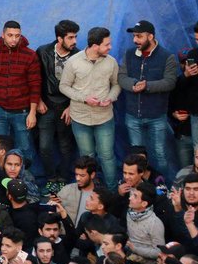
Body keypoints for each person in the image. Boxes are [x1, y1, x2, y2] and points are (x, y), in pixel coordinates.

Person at [58, 27, 120, 188]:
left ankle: (113, 191)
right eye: (106, 45)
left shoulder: (111, 62)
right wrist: (84, 99)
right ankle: (89, 190)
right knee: (87, 157)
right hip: (81, 119)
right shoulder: (74, 62)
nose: (110, 47)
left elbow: (116, 84)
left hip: (104, 117)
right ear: (95, 46)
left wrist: (111, 98)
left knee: (107, 156)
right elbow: (64, 86)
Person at [118, 20, 177, 179]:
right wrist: (134, 84)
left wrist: (147, 85)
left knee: (159, 154)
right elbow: (121, 77)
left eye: (139, 36)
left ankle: (161, 188)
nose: (135, 40)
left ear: (150, 36)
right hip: (132, 116)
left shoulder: (167, 57)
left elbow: (170, 82)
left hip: (156, 116)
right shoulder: (129, 54)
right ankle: (140, 189)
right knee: (137, 157)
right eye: (134, 36)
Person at [0, 20, 40, 166]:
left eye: (17, 36)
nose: (14, 39)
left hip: (22, 111)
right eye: (10, 35)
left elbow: (35, 85)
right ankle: (0, 181)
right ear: (3, 34)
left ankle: (23, 183)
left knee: (24, 149)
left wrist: (32, 113)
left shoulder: (30, 55)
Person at [35, 19, 79, 182]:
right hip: (46, 106)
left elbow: (81, 85)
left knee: (65, 146)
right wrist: (38, 100)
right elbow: (35, 79)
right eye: (70, 38)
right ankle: (51, 178)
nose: (74, 41)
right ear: (59, 39)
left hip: (67, 107)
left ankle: (64, 178)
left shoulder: (78, 56)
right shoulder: (43, 51)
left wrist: (71, 107)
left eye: (75, 37)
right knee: (44, 146)